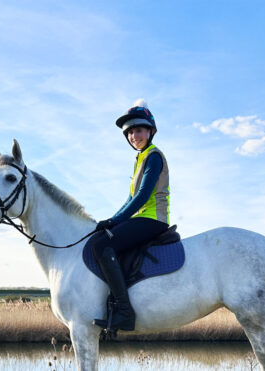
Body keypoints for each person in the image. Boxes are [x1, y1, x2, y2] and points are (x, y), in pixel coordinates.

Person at [88, 99, 170, 332]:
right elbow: (129, 199)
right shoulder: (140, 159)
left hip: (153, 218)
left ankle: (124, 311)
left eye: (139, 130)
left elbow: (142, 196)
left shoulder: (153, 156)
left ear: (150, 131)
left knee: (102, 246)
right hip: (141, 218)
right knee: (103, 238)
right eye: (131, 132)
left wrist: (115, 222)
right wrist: (110, 220)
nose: (135, 135)